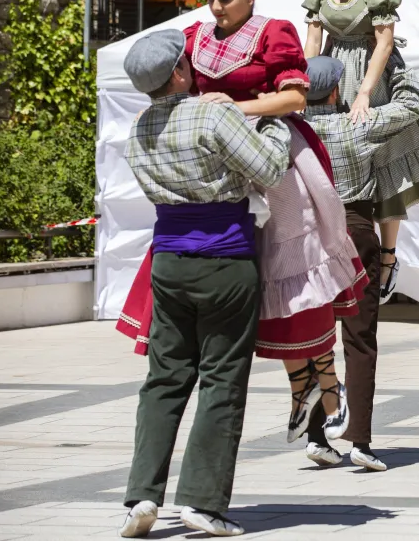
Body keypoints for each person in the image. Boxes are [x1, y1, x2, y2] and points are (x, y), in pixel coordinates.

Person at [116, 0, 367, 448]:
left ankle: (325, 390)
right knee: (253, 274)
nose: (215, 7)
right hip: (214, 157)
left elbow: (294, 100)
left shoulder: (275, 32)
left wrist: (236, 106)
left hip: (273, 150)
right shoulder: (193, 35)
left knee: (290, 269)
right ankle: (306, 392)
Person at [118, 30, 291, 538]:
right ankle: (202, 501)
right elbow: (270, 169)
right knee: (220, 379)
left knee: (164, 379)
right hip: (224, 260)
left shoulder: (138, 127)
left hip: (168, 262)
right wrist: (275, 123)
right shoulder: (214, 114)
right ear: (178, 73)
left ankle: (141, 497)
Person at [303, 0, 419, 304]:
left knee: (383, 157)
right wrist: (305, 84)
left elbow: (383, 43)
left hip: (371, 70)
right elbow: (314, 37)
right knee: (333, 160)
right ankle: (340, 253)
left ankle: (388, 255)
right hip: (333, 68)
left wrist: (365, 92)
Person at [300, 55, 419, 471]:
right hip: (355, 230)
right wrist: (394, 63)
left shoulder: (290, 131)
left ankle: (317, 436)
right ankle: (362, 441)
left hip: (308, 235)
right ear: (337, 90)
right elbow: (411, 104)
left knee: (314, 340)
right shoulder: (356, 123)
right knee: (360, 337)